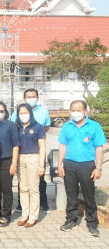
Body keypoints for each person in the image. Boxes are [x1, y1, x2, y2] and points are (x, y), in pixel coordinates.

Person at [58, 100, 106, 237]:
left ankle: (92, 223)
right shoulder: (67, 126)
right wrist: (60, 165)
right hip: (69, 164)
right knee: (71, 194)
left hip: (87, 165)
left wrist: (98, 168)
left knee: (89, 195)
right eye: (73, 110)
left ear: (85, 111)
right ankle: (71, 220)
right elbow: (62, 146)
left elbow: (99, 149)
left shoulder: (94, 126)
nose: (76, 113)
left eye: (79, 110)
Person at [11, 88, 51, 213]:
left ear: (37, 98)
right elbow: (13, 130)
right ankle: (22, 207)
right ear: (24, 99)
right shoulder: (16, 114)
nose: (31, 98)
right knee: (22, 184)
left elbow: (46, 128)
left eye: (33, 96)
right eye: (28, 97)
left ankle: (42, 204)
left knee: (39, 180)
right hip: (20, 154)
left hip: (36, 152)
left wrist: (34, 136)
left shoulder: (43, 112)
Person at [0, 101, 20, 227]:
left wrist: (14, 163)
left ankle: (6, 216)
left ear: (6, 113)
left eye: (2, 111)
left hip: (7, 160)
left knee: (6, 189)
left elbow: (16, 145)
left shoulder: (11, 125)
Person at [15, 103, 46, 228]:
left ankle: (33, 216)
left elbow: (42, 146)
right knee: (23, 188)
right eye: (21, 113)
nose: (23, 115)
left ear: (30, 113)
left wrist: (41, 165)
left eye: (26, 112)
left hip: (34, 158)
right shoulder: (16, 127)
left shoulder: (37, 127)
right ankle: (25, 213)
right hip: (19, 159)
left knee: (33, 189)